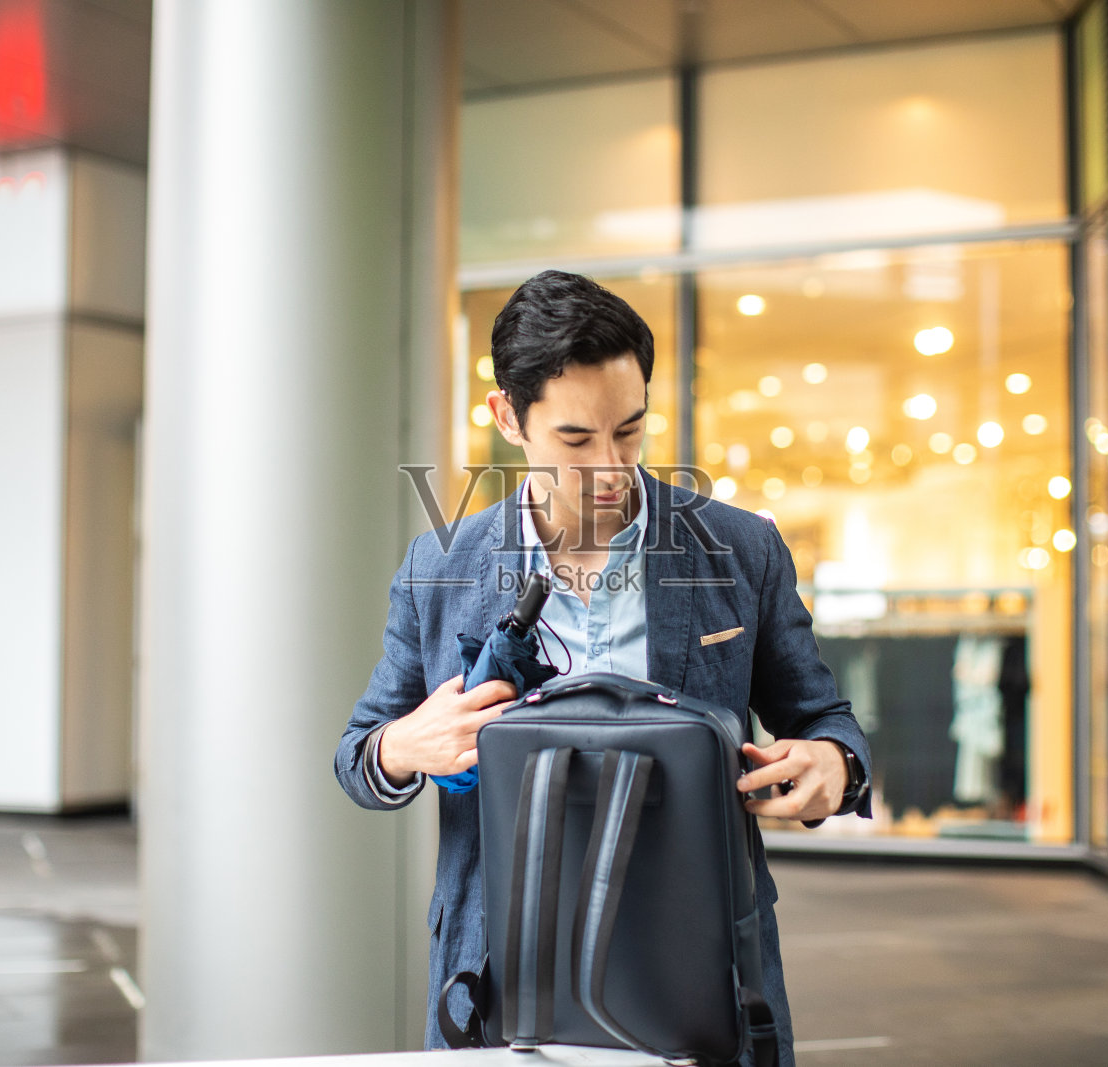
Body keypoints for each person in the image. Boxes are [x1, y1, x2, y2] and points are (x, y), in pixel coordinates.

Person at [334, 270, 872, 1064]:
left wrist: (834, 763)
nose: (613, 468)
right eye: (577, 440)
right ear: (507, 418)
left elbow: (825, 721)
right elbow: (358, 755)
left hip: (701, 955)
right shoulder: (438, 565)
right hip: (499, 964)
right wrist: (402, 746)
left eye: (631, 430)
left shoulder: (740, 549)